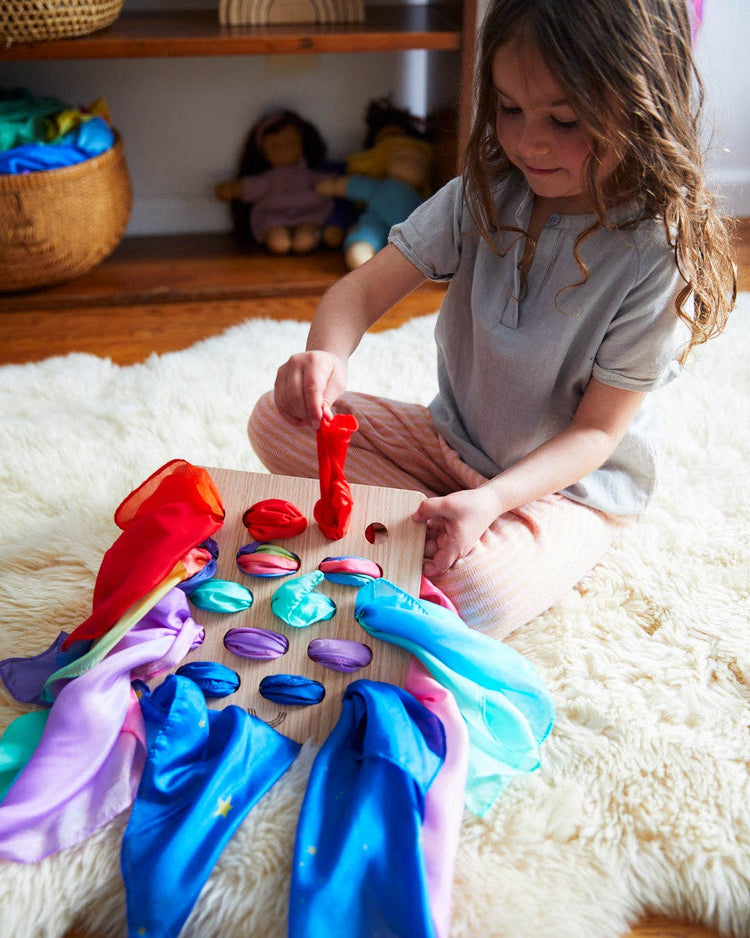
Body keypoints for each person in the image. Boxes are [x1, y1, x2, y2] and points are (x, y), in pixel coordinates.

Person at [248, 0, 737, 639]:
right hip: (450, 442)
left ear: (644, 105)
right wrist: (326, 356)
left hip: (563, 489)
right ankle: (433, 524)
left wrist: (493, 501)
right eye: (508, 108)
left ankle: (446, 528)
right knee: (277, 417)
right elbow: (358, 294)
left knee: (480, 594)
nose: (528, 143)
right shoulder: (484, 191)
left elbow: (596, 432)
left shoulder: (654, 251)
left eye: (564, 120)